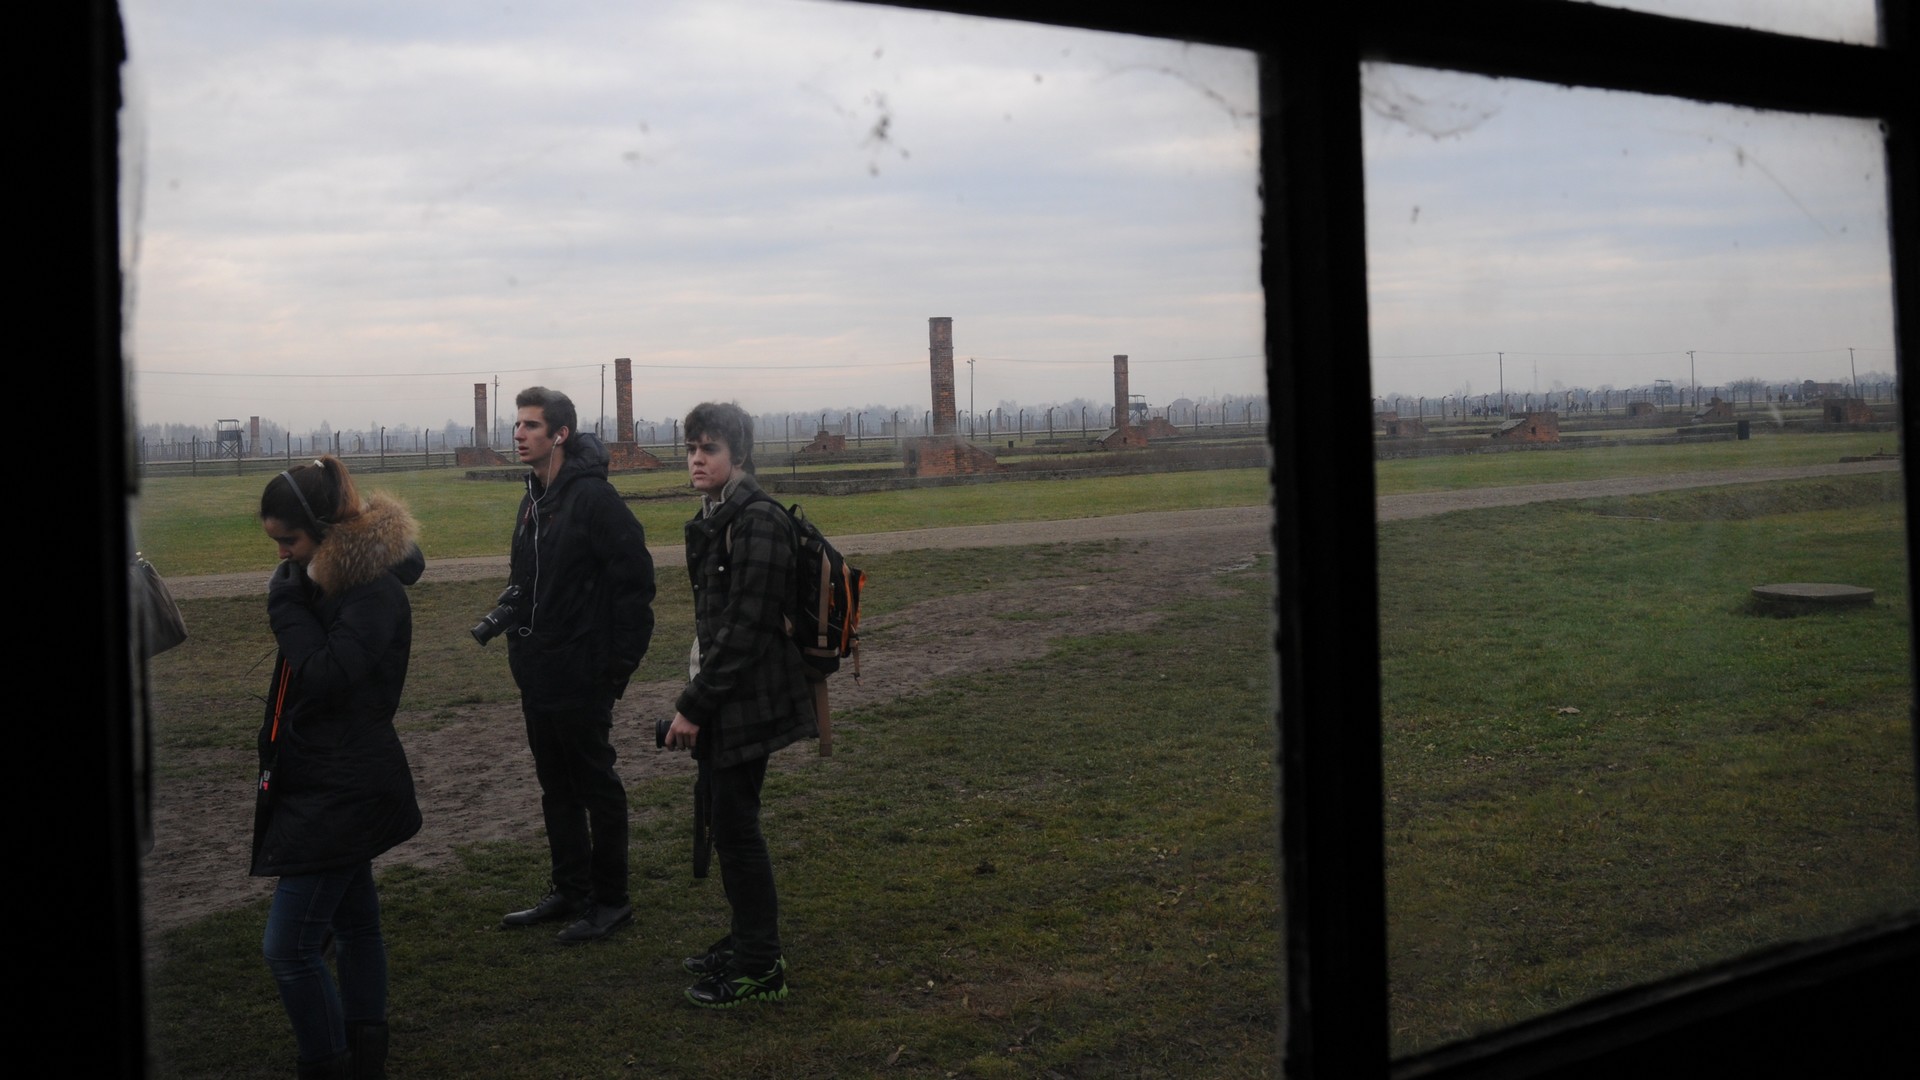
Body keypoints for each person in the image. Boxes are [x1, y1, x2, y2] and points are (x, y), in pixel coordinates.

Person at [254, 456, 423, 1079]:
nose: (282, 558)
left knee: (290, 947)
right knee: (354, 925)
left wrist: (284, 607)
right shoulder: (331, 579)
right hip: (330, 775)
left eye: (289, 542)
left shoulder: (372, 589)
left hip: (341, 786)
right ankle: (364, 1050)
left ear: (325, 528)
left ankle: (329, 1062)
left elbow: (325, 674)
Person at [664, 402, 817, 1007]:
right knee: (730, 826)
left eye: (711, 449)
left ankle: (761, 967)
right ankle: (746, 938)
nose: (698, 459)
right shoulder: (719, 514)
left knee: (738, 829)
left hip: (748, 700)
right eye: (692, 448)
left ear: (740, 456)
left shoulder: (757, 521)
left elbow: (746, 629)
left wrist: (692, 707)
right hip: (731, 697)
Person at [500, 386, 655, 943]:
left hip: (584, 674)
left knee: (596, 786)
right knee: (555, 786)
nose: (519, 434)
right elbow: (527, 581)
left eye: (531, 426)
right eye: (517, 425)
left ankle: (611, 901)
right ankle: (571, 888)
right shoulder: (534, 498)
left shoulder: (595, 500)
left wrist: (614, 671)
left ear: (559, 434)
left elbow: (635, 588)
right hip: (539, 672)